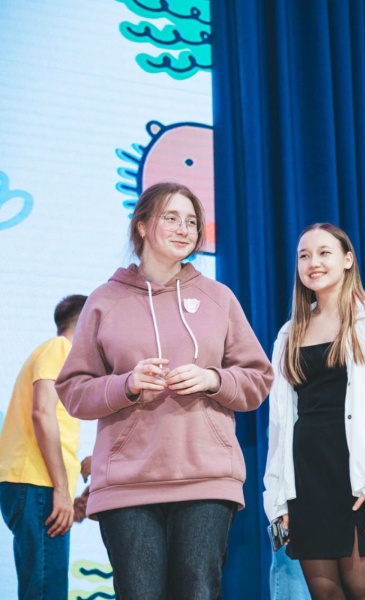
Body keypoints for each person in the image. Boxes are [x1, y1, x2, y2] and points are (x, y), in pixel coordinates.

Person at [55, 182, 274, 600]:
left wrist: (213, 380)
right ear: (141, 225)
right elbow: (73, 390)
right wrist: (126, 385)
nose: (184, 229)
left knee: (197, 591)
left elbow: (258, 378)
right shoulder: (104, 301)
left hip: (207, 478)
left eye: (191, 221)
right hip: (127, 483)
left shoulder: (218, 298)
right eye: (171, 218)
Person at [263, 223, 365, 600]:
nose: (312, 262)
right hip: (307, 481)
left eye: (324, 253)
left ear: (348, 260)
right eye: (304, 255)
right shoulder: (288, 333)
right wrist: (279, 498)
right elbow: (280, 425)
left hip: (362, 484)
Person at [0, 294, 87, 600]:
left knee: (42, 587)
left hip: (37, 485)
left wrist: (68, 494)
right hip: (38, 485)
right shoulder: (60, 348)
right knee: (46, 591)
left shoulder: (54, 352)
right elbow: (42, 413)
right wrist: (60, 490)